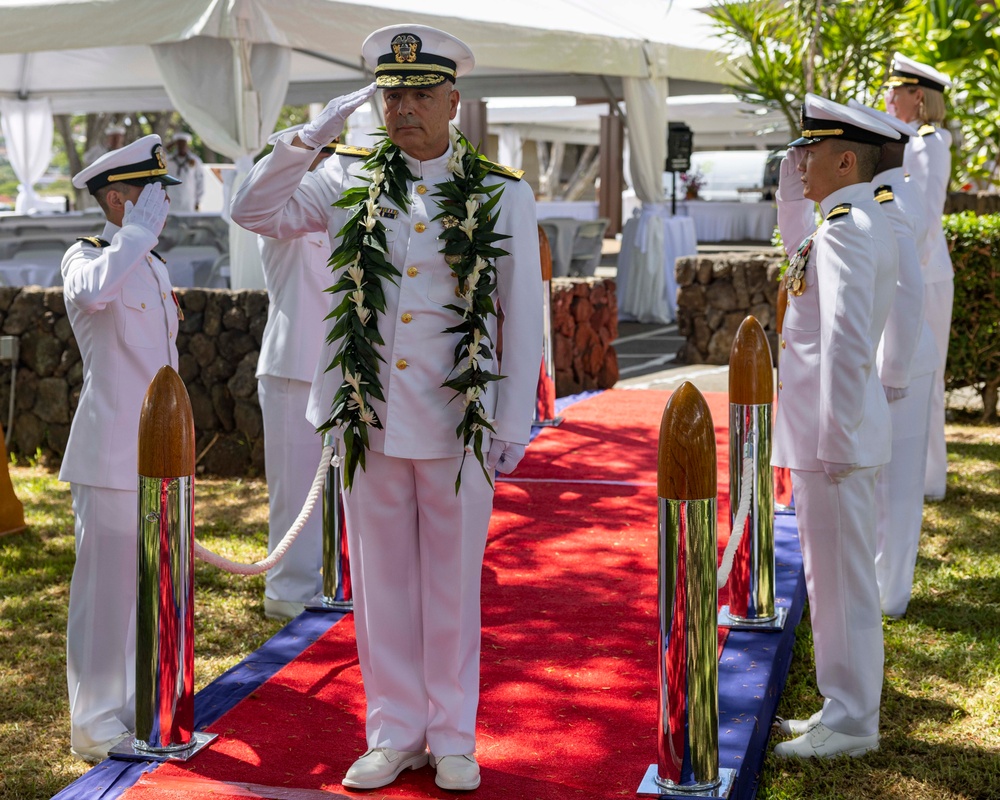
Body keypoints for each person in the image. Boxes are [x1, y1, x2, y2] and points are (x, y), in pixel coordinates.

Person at [231, 24, 543, 792]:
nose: (406, 108)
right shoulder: (344, 179)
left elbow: (520, 315)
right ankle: (393, 731)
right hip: (368, 420)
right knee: (380, 587)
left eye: (421, 94)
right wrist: (308, 137)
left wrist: (508, 423)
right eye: (393, 93)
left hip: (455, 422)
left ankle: (454, 736)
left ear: (453, 101)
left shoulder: (503, 193)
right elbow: (252, 210)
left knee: (450, 584)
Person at [770, 94, 900, 758]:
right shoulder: (844, 219)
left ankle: (853, 720)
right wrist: (790, 196)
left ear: (845, 157)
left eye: (809, 155)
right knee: (831, 577)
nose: (799, 166)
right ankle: (841, 706)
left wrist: (836, 440)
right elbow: (799, 259)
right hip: (830, 434)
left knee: (843, 582)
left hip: (837, 438)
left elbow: (849, 342)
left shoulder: (849, 227)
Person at [61, 135, 181, 762]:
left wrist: (139, 245)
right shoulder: (84, 256)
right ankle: (95, 723)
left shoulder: (154, 266)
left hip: (156, 454)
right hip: (109, 453)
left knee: (147, 586)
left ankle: (137, 705)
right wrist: (132, 239)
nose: (160, 209)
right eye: (147, 197)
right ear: (116, 200)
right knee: (106, 592)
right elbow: (92, 294)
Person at [849, 99, 938, 618]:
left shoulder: (889, 200)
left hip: (900, 359)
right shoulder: (893, 193)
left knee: (897, 488)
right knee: (885, 484)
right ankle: (882, 586)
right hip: (891, 357)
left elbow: (908, 291)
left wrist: (895, 372)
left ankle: (892, 594)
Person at [255, 128, 338, 621]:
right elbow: (260, 199)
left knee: (338, 491)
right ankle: (287, 590)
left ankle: (327, 576)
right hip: (293, 366)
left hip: (343, 368)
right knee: (295, 489)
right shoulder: (275, 207)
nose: (324, 165)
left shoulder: (339, 204)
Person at [884, 54, 954, 501]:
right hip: (913, 274)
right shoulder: (908, 141)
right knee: (906, 374)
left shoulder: (928, 143)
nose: (887, 96)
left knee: (926, 377)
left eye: (895, 89)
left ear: (918, 96)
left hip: (924, 276)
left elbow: (927, 219)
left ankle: (929, 480)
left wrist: (903, 269)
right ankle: (910, 474)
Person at [165, 131, 205, 212]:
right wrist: (167, 147)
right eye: (179, 143)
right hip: (172, 200)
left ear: (187, 144)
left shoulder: (195, 160)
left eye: (183, 143)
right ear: (176, 145)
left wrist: (198, 201)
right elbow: (159, 155)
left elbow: (200, 181)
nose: (181, 146)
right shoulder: (169, 160)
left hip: (189, 201)